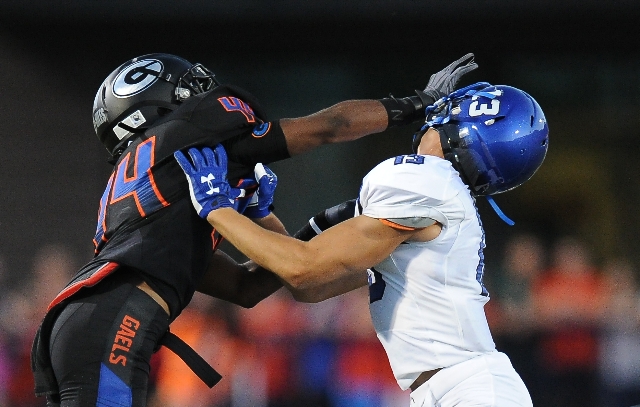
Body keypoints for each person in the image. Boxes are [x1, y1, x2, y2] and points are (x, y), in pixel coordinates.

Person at [30, 52, 479, 406]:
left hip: (79, 323)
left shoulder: (150, 198)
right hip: (113, 322)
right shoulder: (192, 131)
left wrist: (301, 228)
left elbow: (247, 287)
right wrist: (412, 105)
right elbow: (328, 127)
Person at [175, 82, 549, 406]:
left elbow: (303, 267)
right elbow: (307, 286)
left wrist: (217, 208)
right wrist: (260, 216)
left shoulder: (427, 181)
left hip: (469, 391)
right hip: (454, 390)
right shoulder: (439, 199)